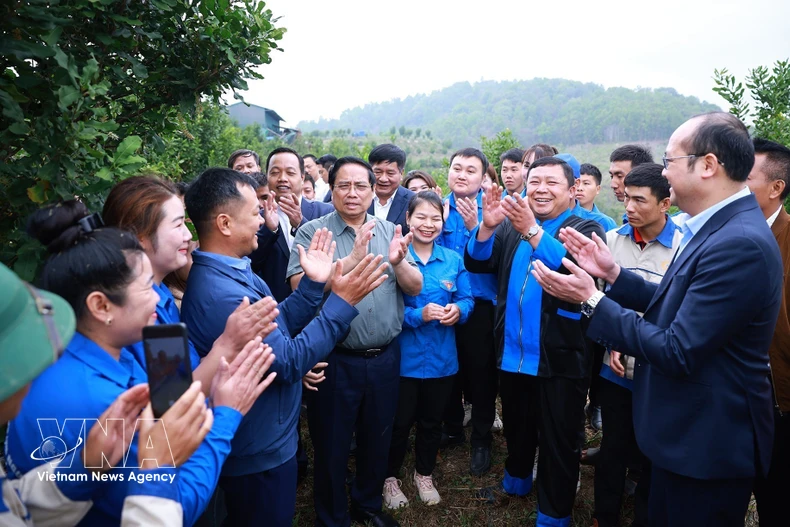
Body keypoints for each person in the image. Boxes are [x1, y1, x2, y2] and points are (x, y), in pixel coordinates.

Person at [532, 112, 782, 526]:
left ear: (707, 165)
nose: (663, 172)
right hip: (688, 434)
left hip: (706, 442)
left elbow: (679, 349)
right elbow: (679, 305)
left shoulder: (738, 243)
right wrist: (613, 274)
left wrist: (592, 298)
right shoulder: (718, 226)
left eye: (669, 161)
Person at [6, 200, 276, 526]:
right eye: (178, 223)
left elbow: (170, 398)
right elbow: (169, 503)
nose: (190, 235)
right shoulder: (103, 404)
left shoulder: (132, 328)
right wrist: (226, 415)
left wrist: (223, 350)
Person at [181, 167, 388, 527]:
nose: (263, 219)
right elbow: (289, 360)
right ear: (225, 223)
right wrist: (340, 302)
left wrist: (312, 285)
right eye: (255, 212)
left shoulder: (233, 269)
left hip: (266, 436)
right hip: (256, 448)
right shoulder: (222, 293)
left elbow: (276, 324)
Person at [0, 264, 218, 527]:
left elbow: (15, 509)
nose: (44, 363)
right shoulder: (93, 399)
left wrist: (85, 468)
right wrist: (156, 473)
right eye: (24, 352)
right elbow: (181, 508)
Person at [465, 157, 604, 527]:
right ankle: (516, 482)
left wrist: (531, 231)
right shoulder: (513, 227)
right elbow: (480, 263)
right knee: (517, 425)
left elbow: (571, 267)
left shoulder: (585, 227)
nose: (540, 189)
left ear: (573, 189)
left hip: (559, 356)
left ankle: (553, 516)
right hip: (513, 352)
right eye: (534, 181)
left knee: (559, 440)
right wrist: (487, 227)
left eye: (551, 182)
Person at [287, 156, 423, 527]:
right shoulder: (313, 232)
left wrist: (398, 263)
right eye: (343, 185)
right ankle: (332, 517)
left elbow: (414, 287)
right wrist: (348, 262)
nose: (352, 193)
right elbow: (300, 289)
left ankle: (367, 504)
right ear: (331, 190)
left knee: (376, 437)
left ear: (372, 189)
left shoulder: (389, 229)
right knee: (331, 444)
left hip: (384, 357)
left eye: (360, 185)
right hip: (334, 357)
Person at [103, 175, 280, 389]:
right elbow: (172, 399)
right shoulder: (139, 312)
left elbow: (181, 374)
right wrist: (228, 344)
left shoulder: (162, 296)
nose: (188, 236)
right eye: (178, 225)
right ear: (140, 236)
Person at [592, 163, 681, 527]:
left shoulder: (682, 247)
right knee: (612, 445)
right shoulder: (612, 240)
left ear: (665, 204)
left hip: (657, 367)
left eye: (639, 200)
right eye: (627, 197)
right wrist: (614, 341)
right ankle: (605, 515)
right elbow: (600, 300)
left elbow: (677, 312)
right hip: (614, 369)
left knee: (651, 452)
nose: (628, 206)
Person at [382, 192, 474, 509]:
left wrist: (458, 311)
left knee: (432, 422)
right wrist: (416, 316)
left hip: (441, 360)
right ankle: (390, 479)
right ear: (407, 219)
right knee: (398, 423)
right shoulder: (394, 259)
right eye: (421, 217)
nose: (428, 224)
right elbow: (386, 309)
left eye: (435, 218)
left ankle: (424, 474)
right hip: (403, 361)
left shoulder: (452, 259)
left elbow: (468, 299)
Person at [436, 148, 500, 476]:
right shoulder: (435, 208)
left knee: (481, 374)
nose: (462, 174)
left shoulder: (493, 211)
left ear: (483, 177)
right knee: (447, 370)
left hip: (481, 305)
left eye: (470, 170)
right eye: (456, 168)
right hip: (442, 303)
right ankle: (451, 428)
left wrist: (481, 228)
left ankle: (481, 437)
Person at [747, 138, 790, 526]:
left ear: (776, 188)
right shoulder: (729, 233)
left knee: (776, 497)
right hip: (733, 393)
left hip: (777, 397)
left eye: (746, 178)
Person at [250, 147, 334, 302]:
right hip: (276, 308)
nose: (282, 178)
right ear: (267, 177)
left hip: (320, 308)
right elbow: (252, 264)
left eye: (290, 172)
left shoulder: (326, 212)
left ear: (302, 177)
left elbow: (336, 257)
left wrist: (301, 224)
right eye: (275, 172)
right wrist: (270, 229)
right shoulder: (256, 218)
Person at [367, 144, 415, 234]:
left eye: (390, 173)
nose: (383, 179)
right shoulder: (359, 197)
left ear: (401, 173)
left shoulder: (413, 201)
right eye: (377, 172)